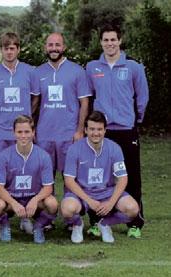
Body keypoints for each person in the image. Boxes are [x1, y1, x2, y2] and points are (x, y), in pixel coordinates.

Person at [85, 25, 148, 238]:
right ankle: (98, 221)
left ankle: (135, 223)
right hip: (101, 132)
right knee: (100, 177)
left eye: (113, 39)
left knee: (131, 175)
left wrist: (134, 120)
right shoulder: (92, 67)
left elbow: (142, 98)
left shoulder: (133, 67)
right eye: (106, 40)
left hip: (126, 130)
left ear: (120, 41)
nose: (110, 44)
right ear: (100, 42)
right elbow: (90, 97)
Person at [0, 32, 35, 235]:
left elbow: (35, 98)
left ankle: (25, 217)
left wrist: (26, 118)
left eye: (13, 47)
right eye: (6, 48)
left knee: (25, 171)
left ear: (18, 49)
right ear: (1, 50)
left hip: (22, 132)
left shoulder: (29, 72)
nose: (9, 51)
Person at [61, 111, 140, 243]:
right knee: (67, 209)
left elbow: (123, 178)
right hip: (83, 193)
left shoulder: (115, 148)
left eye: (99, 129)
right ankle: (77, 224)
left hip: (106, 192)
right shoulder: (74, 149)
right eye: (92, 129)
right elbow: (69, 180)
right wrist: (89, 201)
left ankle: (105, 224)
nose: (95, 133)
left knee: (133, 209)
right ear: (85, 130)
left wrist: (110, 203)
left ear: (105, 130)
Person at [0, 115, 58, 244]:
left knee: (52, 204)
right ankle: (5, 226)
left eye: (27, 132)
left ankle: (39, 226)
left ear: (33, 133)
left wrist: (35, 199)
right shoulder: (4, 156)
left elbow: (48, 187)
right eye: (19, 132)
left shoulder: (43, 156)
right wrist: (14, 203)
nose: (23, 136)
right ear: (14, 133)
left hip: (34, 199)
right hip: (12, 200)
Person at [31, 32, 90, 176]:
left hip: (68, 135)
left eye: (57, 45)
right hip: (44, 135)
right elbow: (34, 104)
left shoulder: (77, 71)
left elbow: (85, 103)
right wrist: (30, 129)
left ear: (64, 47)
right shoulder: (37, 72)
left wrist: (80, 131)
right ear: (45, 47)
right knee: (44, 179)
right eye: (50, 45)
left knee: (71, 178)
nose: (54, 48)